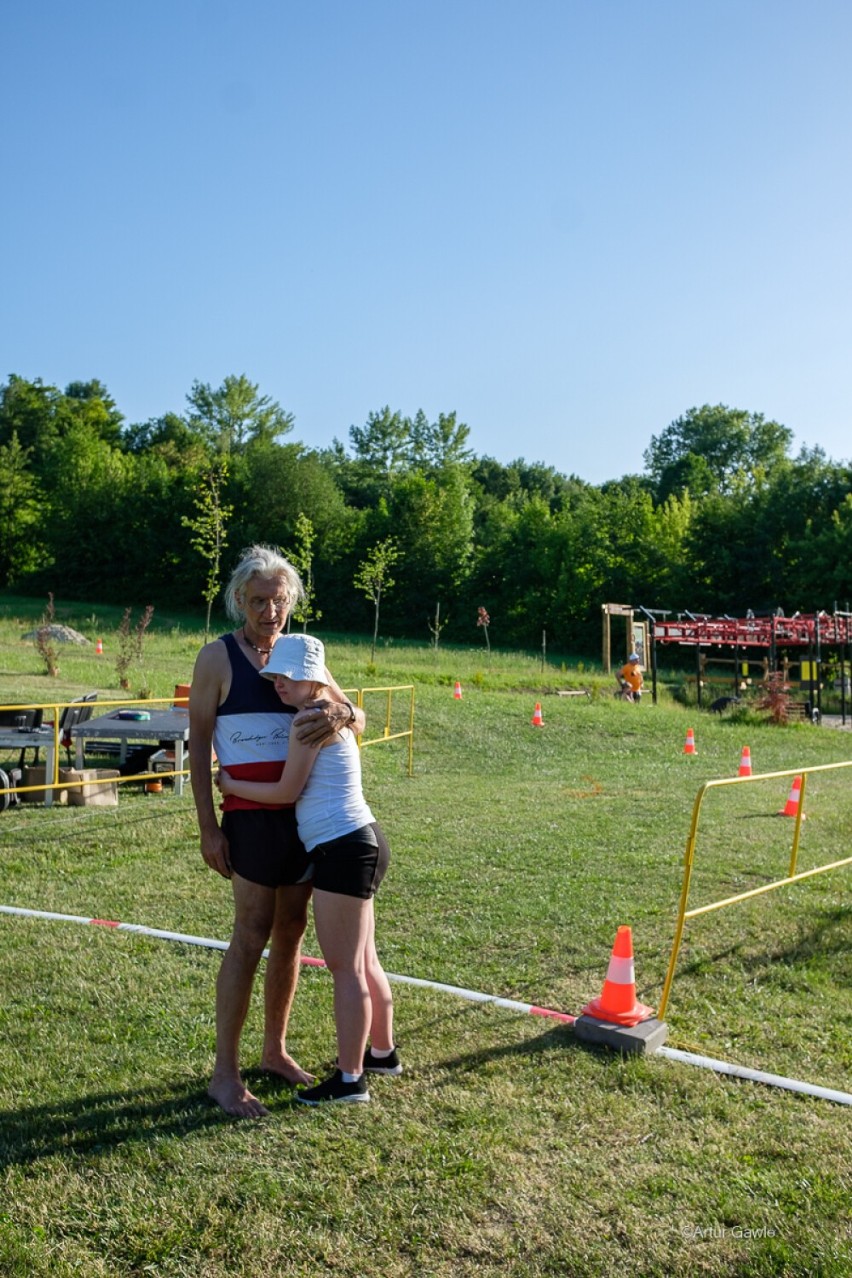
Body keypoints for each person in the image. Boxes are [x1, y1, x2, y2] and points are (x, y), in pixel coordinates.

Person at [189, 544, 366, 1119]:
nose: (270, 611)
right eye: (259, 600)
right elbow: (197, 749)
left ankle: (275, 1051)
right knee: (250, 932)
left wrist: (344, 714)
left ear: (292, 600)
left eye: (279, 599)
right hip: (249, 819)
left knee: (291, 929)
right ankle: (224, 1074)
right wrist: (208, 827)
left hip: (304, 817)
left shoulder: (298, 653)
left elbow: (353, 713)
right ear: (239, 599)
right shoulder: (217, 659)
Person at [217, 632, 399, 1106]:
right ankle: (382, 1052)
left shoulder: (307, 720)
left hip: (343, 848)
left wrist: (231, 783)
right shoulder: (329, 710)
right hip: (363, 839)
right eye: (275, 674)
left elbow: (285, 791)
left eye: (290, 676)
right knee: (365, 961)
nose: (279, 683)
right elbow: (354, 717)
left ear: (312, 677)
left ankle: (350, 1079)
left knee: (346, 968)